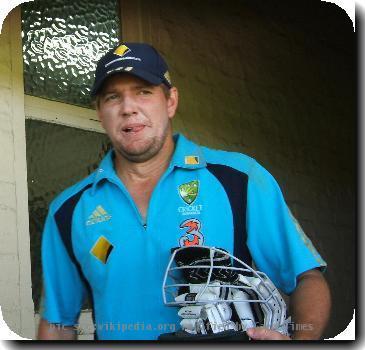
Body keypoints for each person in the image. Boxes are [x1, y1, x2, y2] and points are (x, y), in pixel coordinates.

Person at [37, 42, 331, 340]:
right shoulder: (68, 210)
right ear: (100, 112)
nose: (128, 108)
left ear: (171, 101)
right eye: (113, 97)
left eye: (143, 91)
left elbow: (306, 277)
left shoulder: (240, 179)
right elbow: (57, 323)